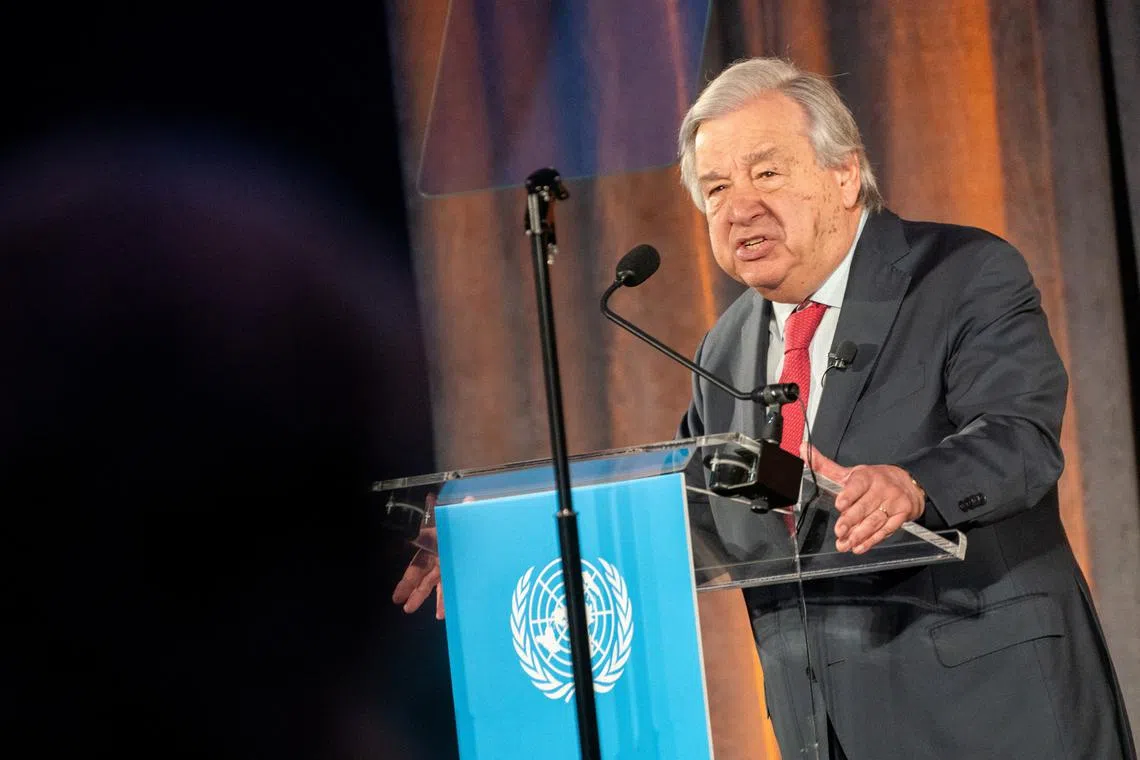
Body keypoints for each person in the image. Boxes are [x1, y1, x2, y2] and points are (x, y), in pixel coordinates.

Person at [675, 57, 1135, 759]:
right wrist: (485, 544)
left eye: (766, 172)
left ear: (844, 173)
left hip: (994, 715)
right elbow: (701, 503)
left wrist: (915, 486)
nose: (739, 207)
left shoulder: (962, 274)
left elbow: (1020, 439)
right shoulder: (726, 348)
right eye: (716, 187)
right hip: (826, 730)